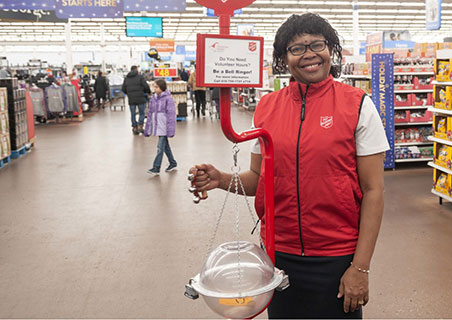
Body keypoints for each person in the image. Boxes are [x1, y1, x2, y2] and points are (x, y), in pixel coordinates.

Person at [188, 13, 389, 318]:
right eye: (296, 49)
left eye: (317, 44)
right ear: (284, 59)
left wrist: (360, 267)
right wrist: (220, 179)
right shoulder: (268, 107)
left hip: (336, 256)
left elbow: (373, 190)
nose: (308, 54)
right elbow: (259, 178)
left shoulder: (358, 104)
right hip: (277, 254)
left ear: (330, 50)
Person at [144, 79, 177, 175]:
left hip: (164, 126)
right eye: (154, 86)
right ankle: (172, 163)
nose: (154, 89)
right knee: (165, 146)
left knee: (160, 148)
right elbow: (150, 113)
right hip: (157, 126)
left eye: (156, 87)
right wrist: (148, 127)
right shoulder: (153, 98)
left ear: (162, 88)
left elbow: (171, 115)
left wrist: (171, 129)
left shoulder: (168, 99)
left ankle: (156, 167)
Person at [122, 66, 151, 135]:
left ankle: (134, 127)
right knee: (142, 113)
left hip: (131, 99)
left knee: (133, 114)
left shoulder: (126, 78)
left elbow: (123, 89)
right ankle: (140, 126)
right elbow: (146, 86)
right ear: (136, 70)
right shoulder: (140, 77)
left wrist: (128, 93)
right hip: (141, 98)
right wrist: (148, 92)